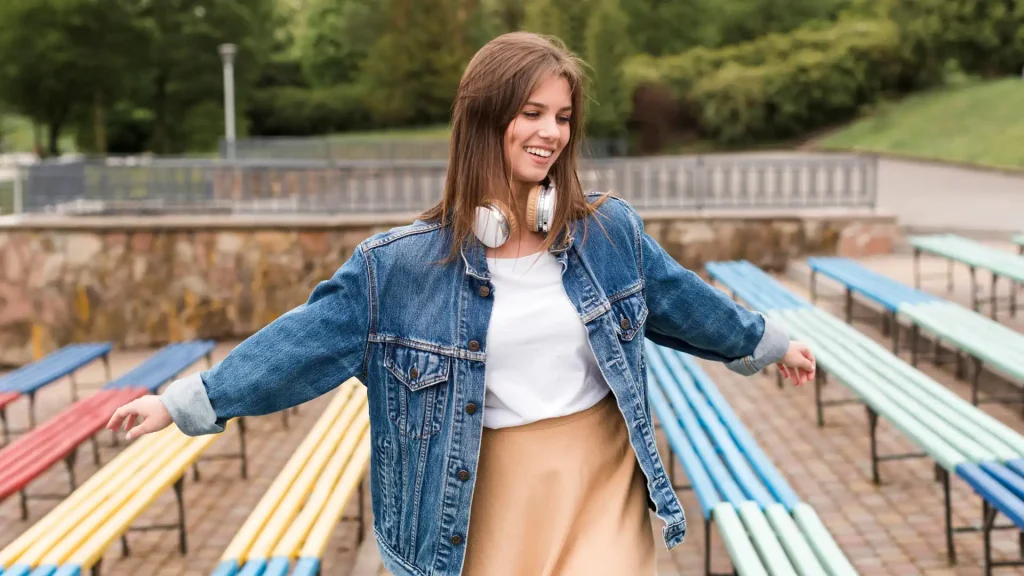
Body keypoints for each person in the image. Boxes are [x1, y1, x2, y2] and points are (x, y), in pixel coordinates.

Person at [106, 31, 815, 576]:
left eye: (563, 116)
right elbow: (301, 343)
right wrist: (184, 401)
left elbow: (683, 301)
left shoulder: (606, 233)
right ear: (485, 118)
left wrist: (769, 345)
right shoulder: (400, 268)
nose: (552, 132)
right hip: (482, 489)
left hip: (602, 473)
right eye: (532, 112)